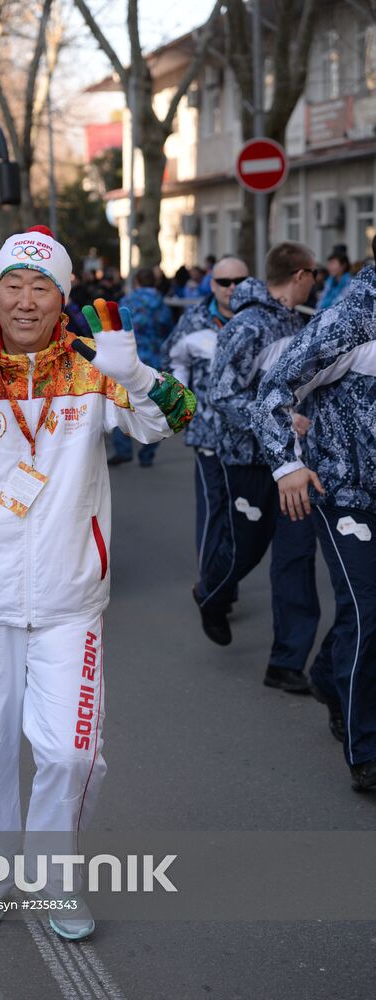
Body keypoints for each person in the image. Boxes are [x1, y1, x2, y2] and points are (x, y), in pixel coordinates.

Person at [0, 224, 196, 939]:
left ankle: (55, 882)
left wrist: (137, 376)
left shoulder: (91, 366)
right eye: (13, 285)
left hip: (68, 599)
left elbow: (175, 420)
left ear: (64, 294)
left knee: (72, 752)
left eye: (41, 286)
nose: (26, 300)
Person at [253, 243, 376, 792]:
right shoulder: (351, 318)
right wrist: (286, 467)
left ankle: (329, 672)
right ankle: (366, 751)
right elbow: (271, 391)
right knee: (368, 610)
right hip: (346, 490)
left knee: (364, 616)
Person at [201, 242, 323, 692]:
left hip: (293, 462)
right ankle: (212, 596)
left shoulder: (300, 321)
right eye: (313, 273)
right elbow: (223, 394)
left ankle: (286, 662)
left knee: (296, 555)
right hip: (248, 458)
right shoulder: (247, 325)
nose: (316, 280)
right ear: (298, 274)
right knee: (244, 550)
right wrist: (277, 418)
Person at [160, 256, 249, 617]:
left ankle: (225, 580)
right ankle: (213, 586)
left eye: (239, 281)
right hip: (209, 435)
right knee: (215, 512)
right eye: (224, 281)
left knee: (242, 516)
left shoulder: (257, 319)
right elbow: (172, 363)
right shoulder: (193, 321)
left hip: (249, 438)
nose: (232, 288)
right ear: (212, 284)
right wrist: (183, 405)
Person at [108, 267, 174, 467]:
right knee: (155, 408)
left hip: (129, 359)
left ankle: (123, 448)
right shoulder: (161, 303)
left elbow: (116, 328)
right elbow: (168, 328)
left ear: (136, 281)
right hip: (154, 359)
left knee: (122, 403)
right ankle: (148, 452)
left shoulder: (127, 301)